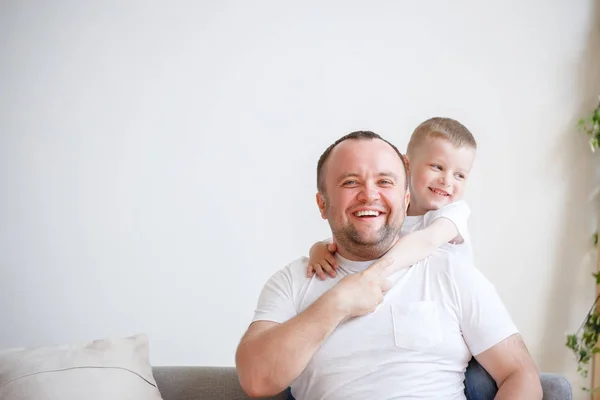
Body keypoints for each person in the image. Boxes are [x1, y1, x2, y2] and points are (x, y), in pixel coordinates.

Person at [235, 130, 542, 399]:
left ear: (406, 199)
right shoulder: (294, 282)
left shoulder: (450, 270)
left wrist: (372, 274)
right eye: (350, 182)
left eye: (384, 181)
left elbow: (521, 375)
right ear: (322, 204)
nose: (370, 195)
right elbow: (256, 380)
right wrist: (339, 301)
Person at [306, 117, 476, 281]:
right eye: (437, 167)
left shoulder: (454, 214)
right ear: (406, 165)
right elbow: (354, 238)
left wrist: (371, 276)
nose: (447, 181)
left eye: (459, 175)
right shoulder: (394, 211)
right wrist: (320, 249)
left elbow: (427, 241)